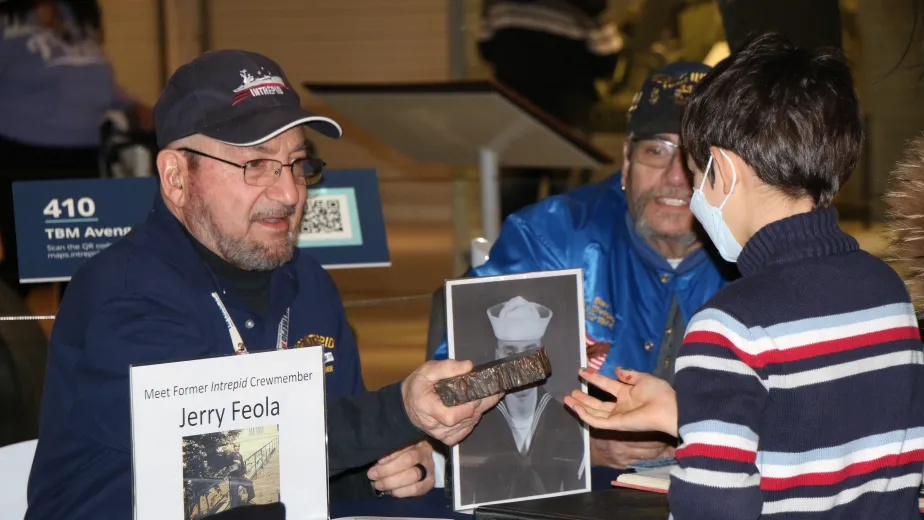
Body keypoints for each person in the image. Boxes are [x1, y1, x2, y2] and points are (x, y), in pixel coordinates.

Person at [25, 49, 501, 520]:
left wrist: (384, 469)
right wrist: (397, 413)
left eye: (297, 163)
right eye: (257, 165)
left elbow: (309, 464)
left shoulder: (308, 283)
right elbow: (217, 464)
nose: (290, 193)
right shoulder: (126, 293)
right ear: (176, 177)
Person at [565, 33, 924, 518]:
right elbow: (820, 435)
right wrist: (689, 412)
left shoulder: (730, 325)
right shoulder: (886, 290)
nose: (692, 197)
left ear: (725, 171)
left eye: (695, 173)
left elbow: (712, 507)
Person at [433, 61, 733, 470]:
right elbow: (458, 384)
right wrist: (576, 444)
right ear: (626, 163)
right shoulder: (552, 238)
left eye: (697, 156)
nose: (676, 176)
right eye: (656, 151)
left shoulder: (757, 253)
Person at [0, 0, 153, 298]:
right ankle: (11, 339)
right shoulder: (7, 21)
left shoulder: (77, 16)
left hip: (85, 159)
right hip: (24, 160)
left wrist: (135, 107)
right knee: (27, 268)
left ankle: (75, 342)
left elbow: (98, 82)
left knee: (86, 266)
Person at [477, 0, 622, 218]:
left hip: (514, 115)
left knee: (515, 212)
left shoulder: (497, 3)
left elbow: (485, 47)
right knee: (569, 213)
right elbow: (607, 60)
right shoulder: (587, 5)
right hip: (567, 118)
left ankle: (517, 251)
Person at [458, 296, 584, 505]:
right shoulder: (474, 422)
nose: (520, 365)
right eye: (510, 352)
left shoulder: (565, 420)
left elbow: (576, 497)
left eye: (529, 351)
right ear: (498, 355)